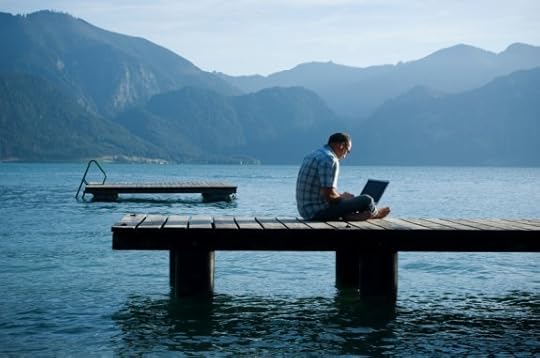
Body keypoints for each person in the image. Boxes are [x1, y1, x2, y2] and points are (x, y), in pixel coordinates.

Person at [296, 132, 390, 221]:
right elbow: (329, 197)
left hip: (305, 211)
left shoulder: (313, 154)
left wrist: (341, 196)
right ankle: (375, 214)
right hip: (317, 212)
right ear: (341, 145)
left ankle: (350, 216)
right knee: (367, 200)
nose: (345, 156)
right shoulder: (329, 159)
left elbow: (322, 192)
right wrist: (343, 198)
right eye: (347, 151)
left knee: (351, 201)